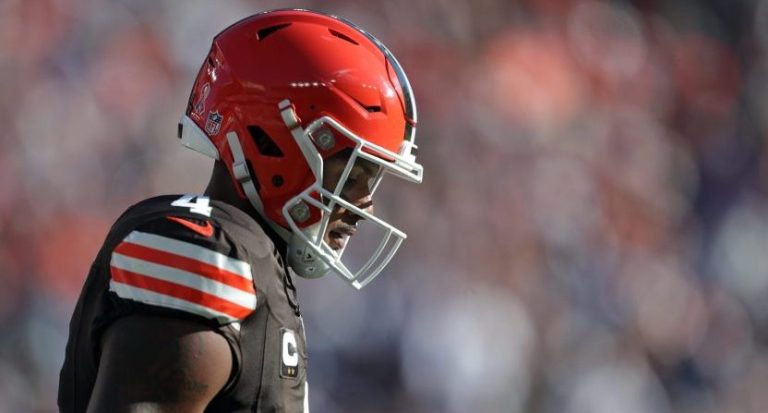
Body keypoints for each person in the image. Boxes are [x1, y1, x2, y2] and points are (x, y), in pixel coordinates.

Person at [58, 9, 423, 412]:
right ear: (274, 142)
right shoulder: (201, 251)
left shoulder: (257, 263)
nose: (364, 201)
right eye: (354, 173)